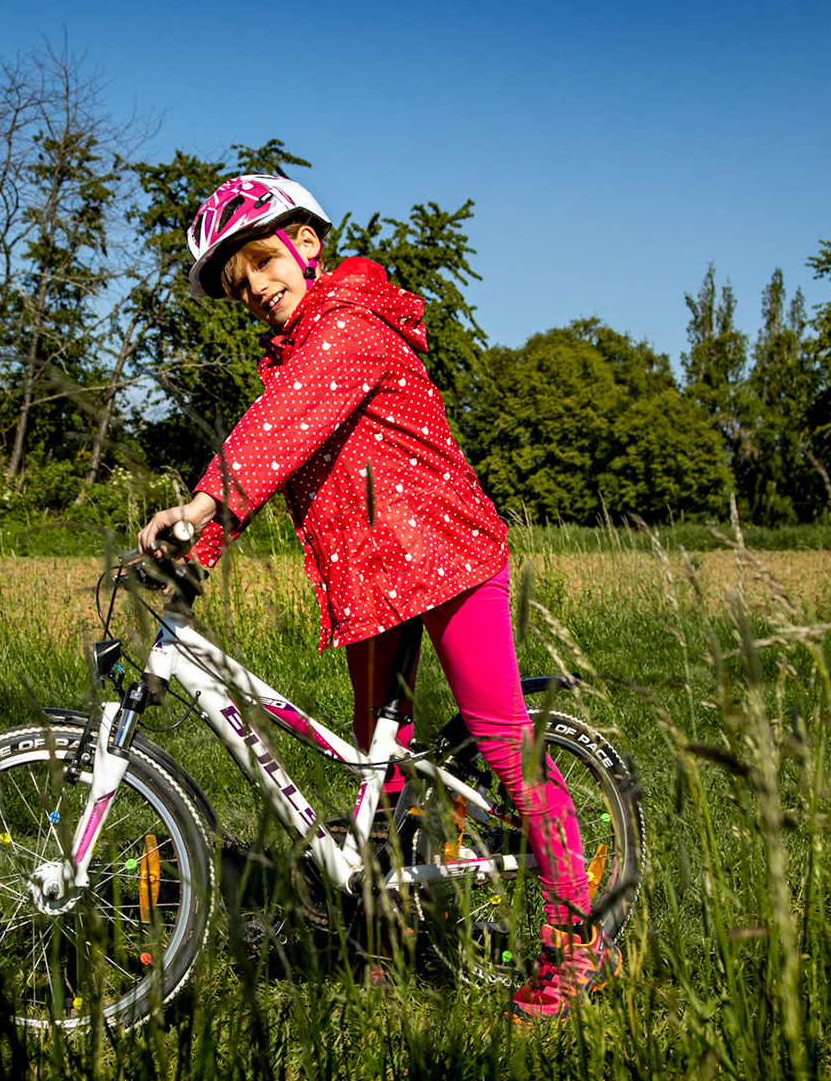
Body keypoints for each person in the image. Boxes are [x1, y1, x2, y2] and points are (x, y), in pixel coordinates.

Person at [136, 174, 613, 1017]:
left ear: (305, 243)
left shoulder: (352, 321)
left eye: (261, 261)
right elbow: (282, 444)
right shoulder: (294, 354)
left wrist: (201, 504)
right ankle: (385, 927)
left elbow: (282, 423)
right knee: (376, 763)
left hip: (448, 558)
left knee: (503, 743)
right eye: (237, 284)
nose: (254, 288)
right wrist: (190, 554)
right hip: (371, 584)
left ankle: (577, 936)